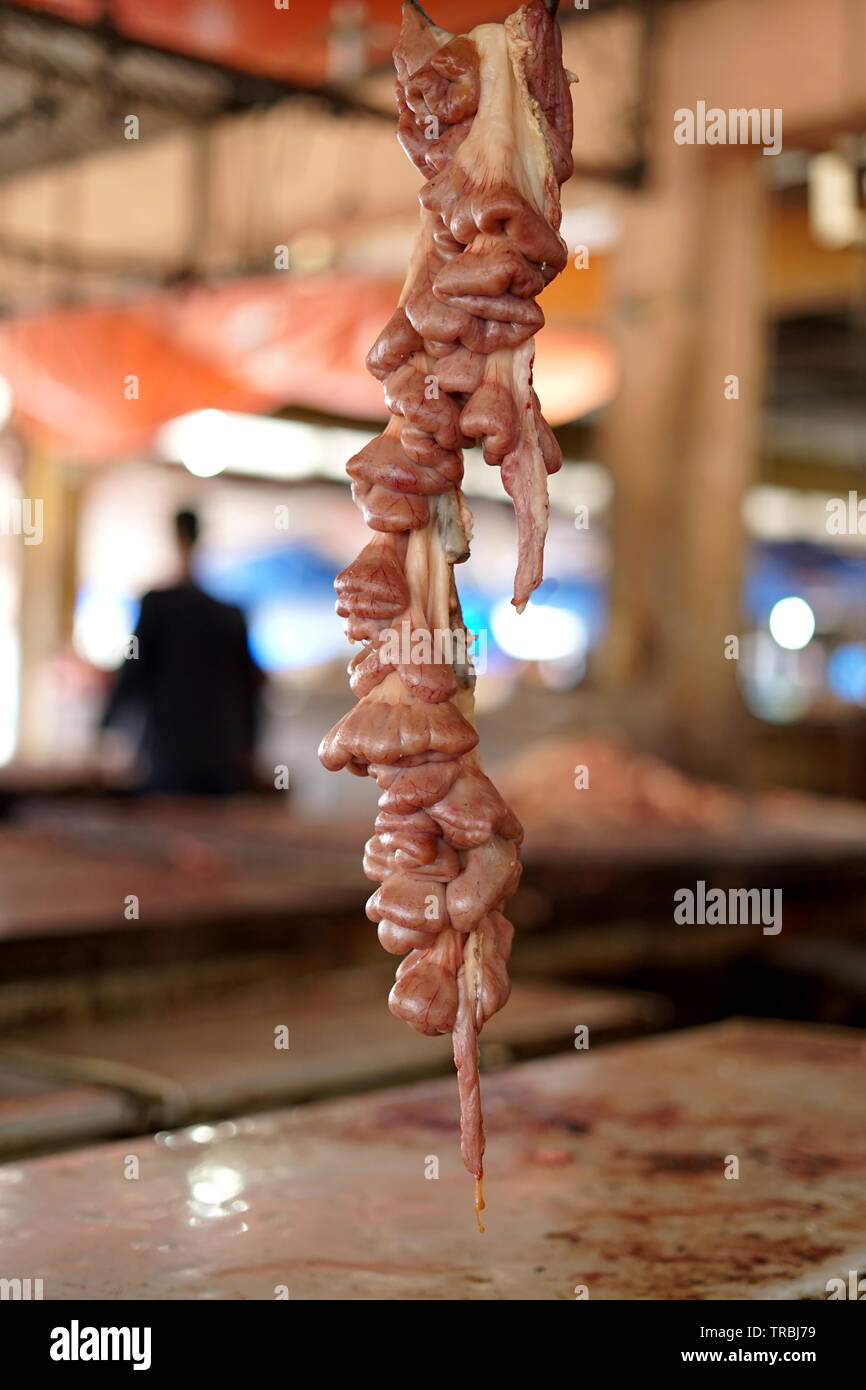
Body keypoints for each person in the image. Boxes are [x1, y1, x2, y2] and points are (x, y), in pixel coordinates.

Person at [101, 509, 263, 795]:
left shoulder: (156, 607)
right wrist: (250, 747)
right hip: (222, 754)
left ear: (176, 537)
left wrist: (105, 727)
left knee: (166, 827)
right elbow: (252, 687)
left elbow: (132, 671)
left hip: (169, 752)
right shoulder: (229, 615)